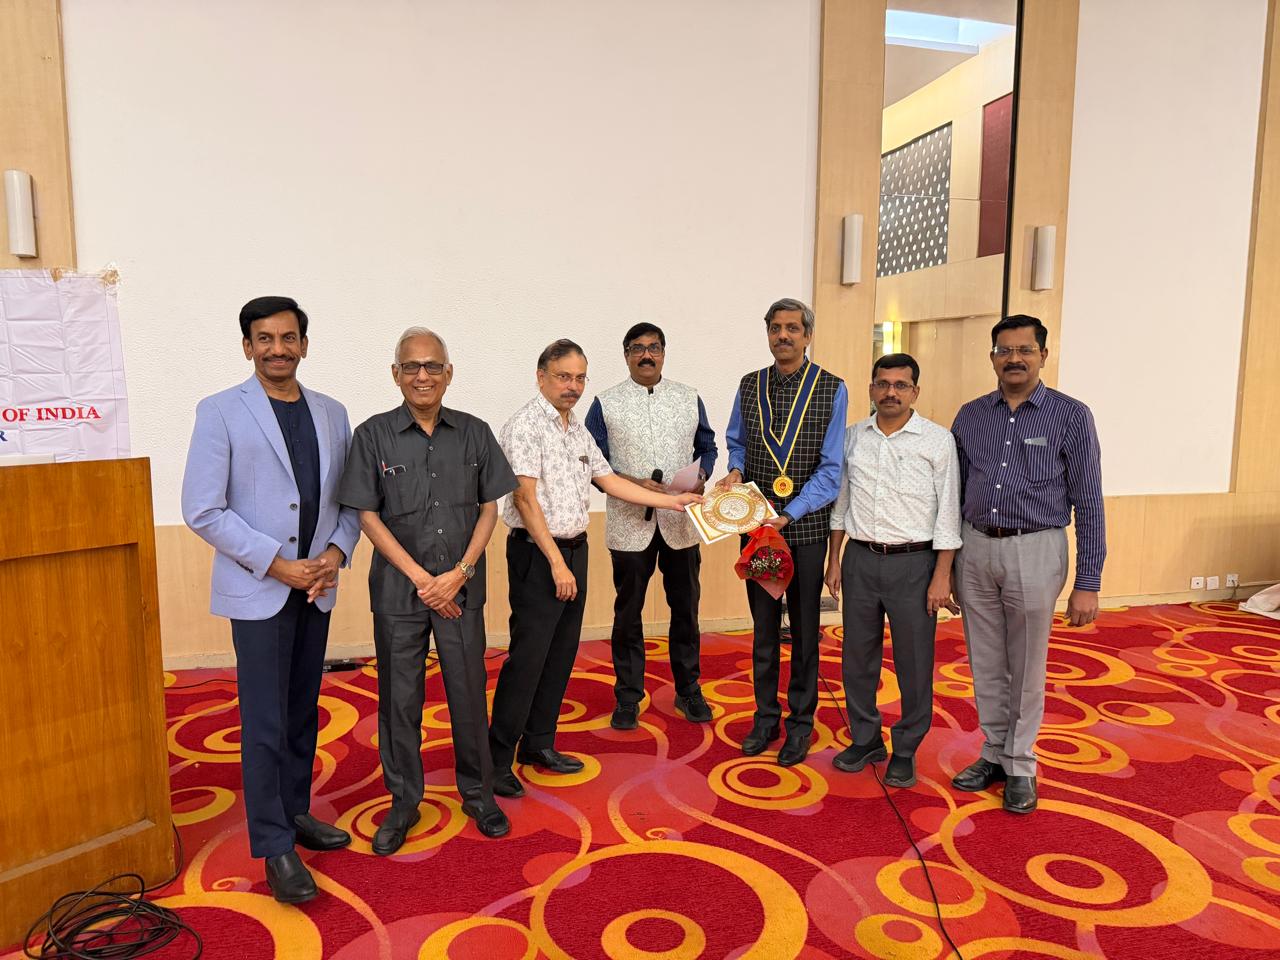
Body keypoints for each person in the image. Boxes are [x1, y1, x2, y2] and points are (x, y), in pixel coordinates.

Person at [181, 296, 360, 904]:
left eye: (288, 338)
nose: (277, 349)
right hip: (260, 586)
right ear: (247, 346)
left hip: (317, 586)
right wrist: (277, 564)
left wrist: (334, 554)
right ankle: (274, 845)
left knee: (303, 710)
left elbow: (347, 500)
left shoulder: (332, 412)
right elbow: (203, 509)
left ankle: (296, 811)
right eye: (265, 339)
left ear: (304, 345)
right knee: (264, 722)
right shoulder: (220, 411)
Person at [489, 339, 703, 798]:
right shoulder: (525, 425)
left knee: (561, 654)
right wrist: (555, 562)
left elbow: (609, 481)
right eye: (563, 376)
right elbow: (524, 500)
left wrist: (673, 501)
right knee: (528, 659)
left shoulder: (577, 429)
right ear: (541, 377)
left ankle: (538, 744)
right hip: (538, 555)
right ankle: (497, 759)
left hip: (575, 551)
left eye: (580, 377)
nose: (573, 386)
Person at [336, 326, 516, 853]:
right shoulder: (372, 435)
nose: (422, 376)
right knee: (400, 699)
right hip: (400, 591)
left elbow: (490, 507)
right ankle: (403, 802)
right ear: (395, 374)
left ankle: (479, 794)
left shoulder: (475, 433)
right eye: (411, 367)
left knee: (468, 692)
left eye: (433, 366)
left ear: (448, 373)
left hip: (461, 590)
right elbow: (366, 514)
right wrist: (421, 579)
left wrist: (460, 572)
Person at [950, 314, 1105, 815]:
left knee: (1027, 663)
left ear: (1043, 355)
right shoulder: (971, 415)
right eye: (1004, 350)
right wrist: (946, 565)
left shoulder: (1070, 415)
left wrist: (1088, 581)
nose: (1013, 359)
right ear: (992, 357)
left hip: (1036, 548)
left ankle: (1020, 763)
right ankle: (994, 751)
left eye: (1024, 350)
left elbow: (1089, 501)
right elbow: (952, 495)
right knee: (985, 660)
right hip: (975, 547)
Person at [824, 353, 961, 788]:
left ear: (915, 392)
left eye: (901, 385)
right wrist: (834, 558)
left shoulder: (937, 440)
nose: (890, 392)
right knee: (856, 658)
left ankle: (905, 747)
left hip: (915, 565)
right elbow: (841, 502)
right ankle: (866, 739)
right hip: (861, 560)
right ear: (871, 389)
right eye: (883, 384)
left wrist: (942, 575)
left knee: (913, 662)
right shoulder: (852, 438)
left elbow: (949, 514)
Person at [721, 298, 848, 767]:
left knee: (806, 632)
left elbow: (831, 470)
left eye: (793, 328)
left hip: (806, 529)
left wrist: (790, 514)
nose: (784, 336)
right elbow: (737, 443)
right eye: (776, 328)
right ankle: (765, 717)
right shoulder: (749, 384)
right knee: (763, 630)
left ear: (808, 335)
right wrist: (735, 471)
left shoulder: (832, 388)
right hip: (758, 528)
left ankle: (801, 723)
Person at [584, 322, 718, 730]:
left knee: (686, 610)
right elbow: (591, 462)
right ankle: (627, 696)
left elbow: (707, 447)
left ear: (663, 352)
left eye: (654, 347)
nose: (646, 355)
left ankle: (689, 689)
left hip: (681, 523)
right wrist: (632, 482)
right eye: (638, 348)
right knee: (628, 614)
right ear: (626, 355)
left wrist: (701, 476)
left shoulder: (688, 397)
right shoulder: (604, 403)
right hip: (628, 524)